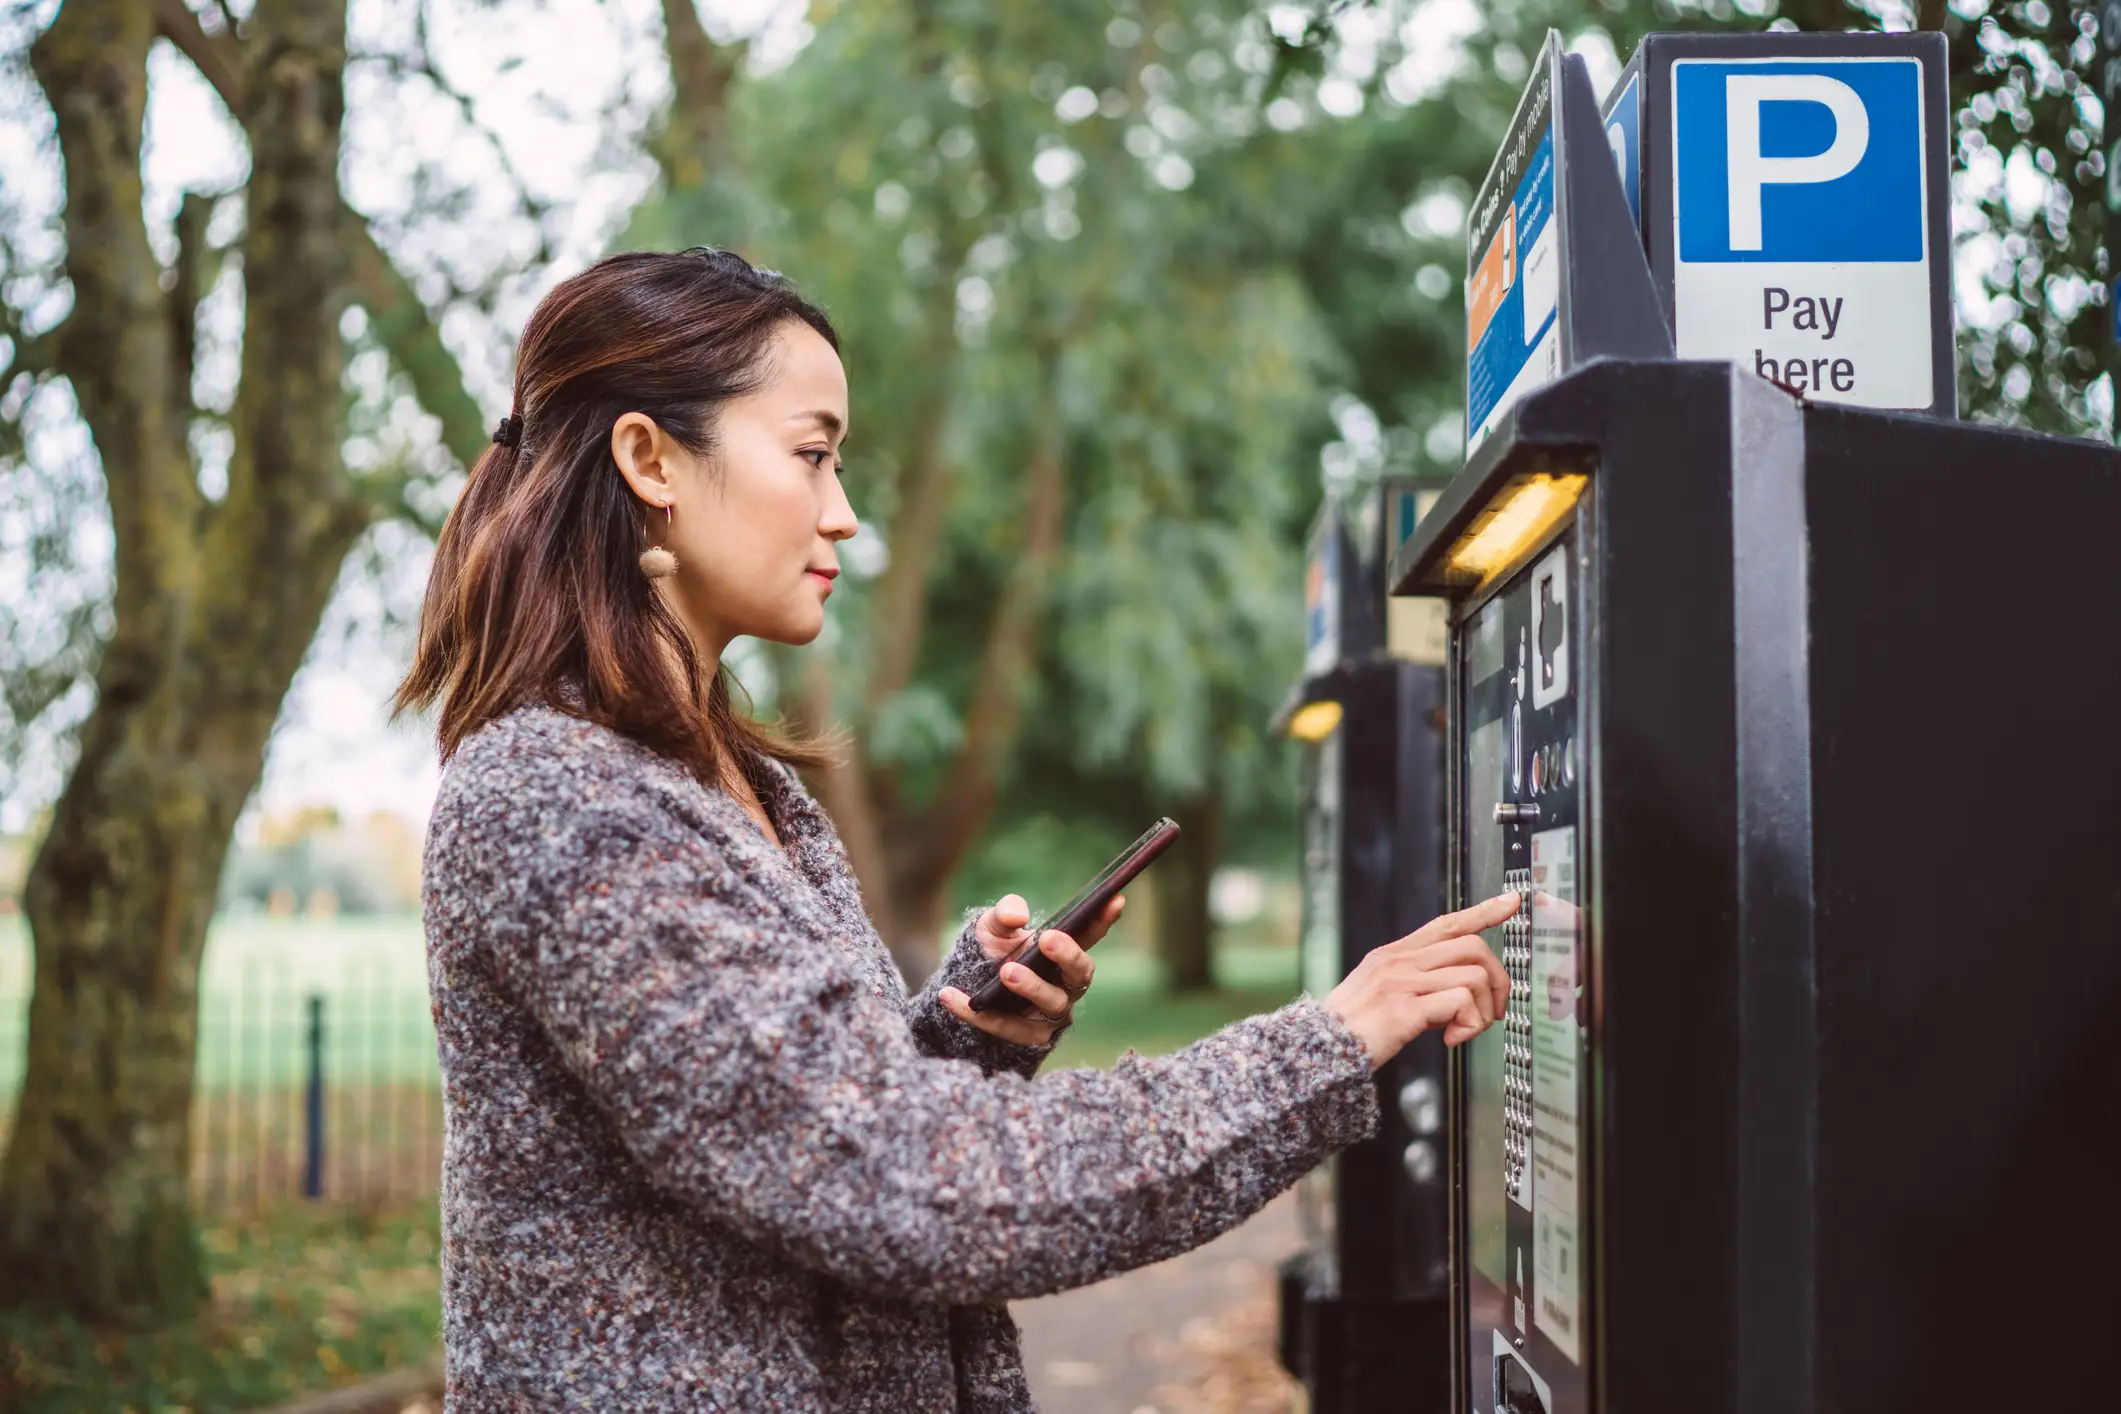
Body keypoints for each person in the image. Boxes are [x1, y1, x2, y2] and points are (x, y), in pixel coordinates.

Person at [394, 246, 1516, 1413]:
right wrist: (1330, 1040)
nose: (844, 513)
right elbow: (898, 1183)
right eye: (812, 455)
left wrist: (958, 1040)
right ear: (649, 459)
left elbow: (799, 1139)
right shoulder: (561, 799)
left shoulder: (737, 784)